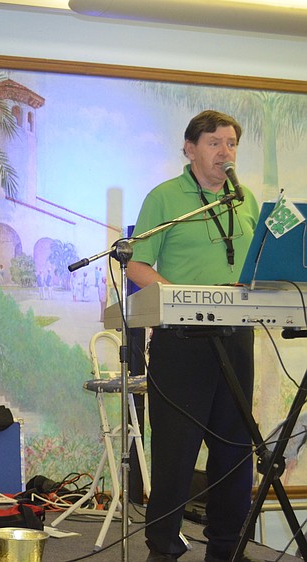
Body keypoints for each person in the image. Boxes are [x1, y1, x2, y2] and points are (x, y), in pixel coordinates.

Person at [126, 110, 260, 562]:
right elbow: (137, 265)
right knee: (176, 453)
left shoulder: (247, 201)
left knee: (236, 452)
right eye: (215, 143)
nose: (226, 152)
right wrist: (181, 299)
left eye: (231, 143)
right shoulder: (164, 198)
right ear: (189, 148)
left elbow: (256, 266)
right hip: (181, 343)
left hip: (237, 338)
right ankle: (162, 549)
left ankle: (227, 549)